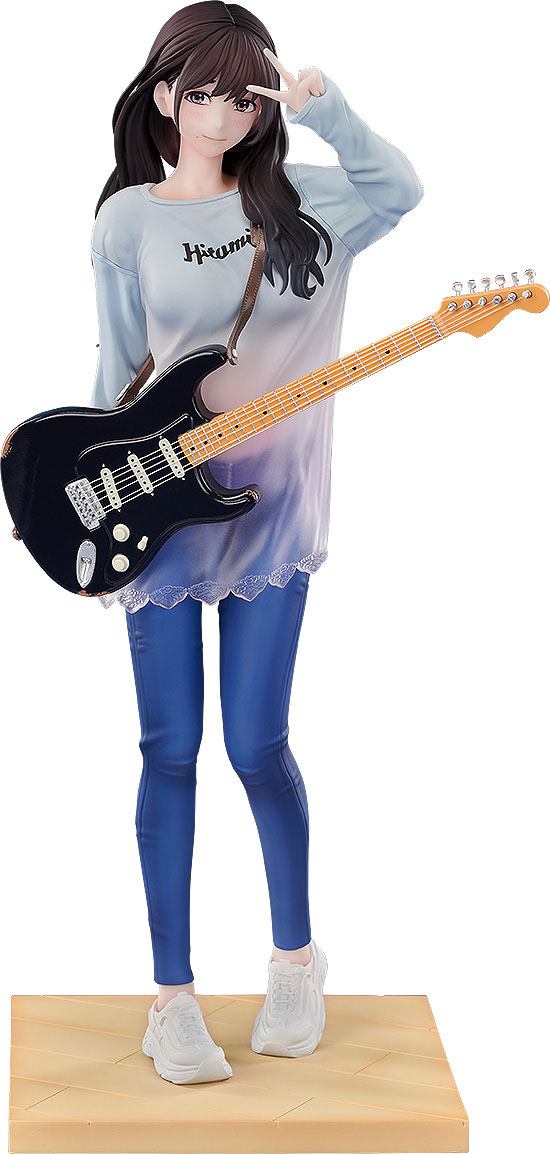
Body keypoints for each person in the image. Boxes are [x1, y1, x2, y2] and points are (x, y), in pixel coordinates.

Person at [90, 0, 423, 1085]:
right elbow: (118, 377)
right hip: (159, 521)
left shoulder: (309, 204)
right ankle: (172, 998)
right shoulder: (126, 222)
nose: (226, 112)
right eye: (204, 92)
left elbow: (400, 190)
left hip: (274, 519)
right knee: (168, 748)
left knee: (255, 742)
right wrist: (76, 493)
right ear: (164, 96)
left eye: (245, 95)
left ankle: (294, 962)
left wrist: (330, 111)